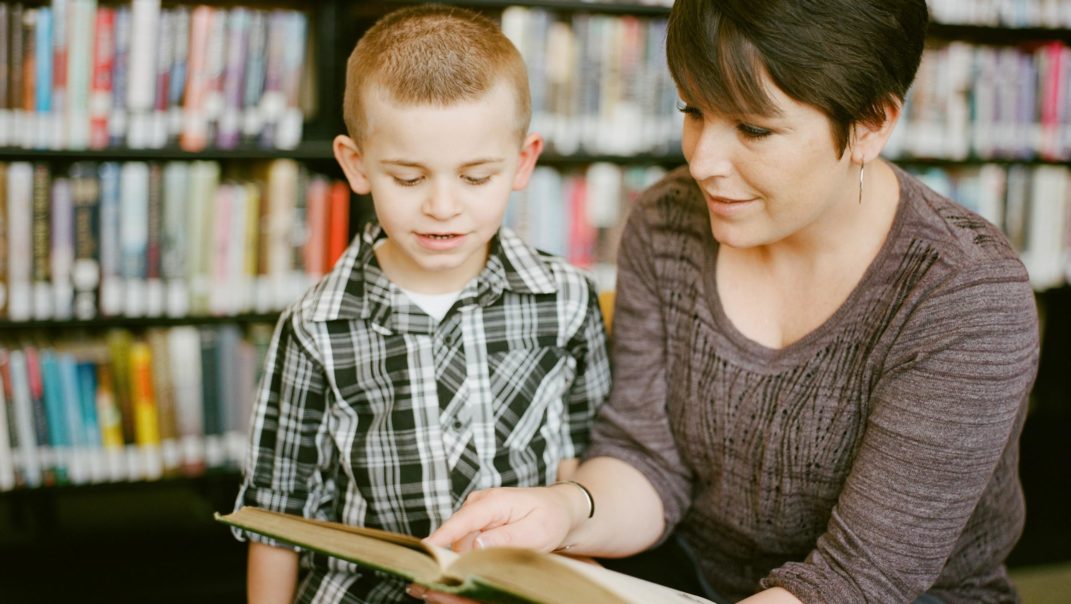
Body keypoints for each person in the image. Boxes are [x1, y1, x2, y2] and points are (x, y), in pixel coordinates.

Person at [424, 1, 1040, 602]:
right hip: (690, 581)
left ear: (871, 124)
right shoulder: (667, 223)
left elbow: (858, 580)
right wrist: (562, 512)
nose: (701, 160)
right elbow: (645, 459)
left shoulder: (965, 294)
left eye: (753, 128)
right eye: (693, 110)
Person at [232, 5, 612, 603]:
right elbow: (276, 513)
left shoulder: (565, 298)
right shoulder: (315, 326)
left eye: (476, 177)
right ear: (356, 166)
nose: (442, 206)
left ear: (523, 162)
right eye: (409, 179)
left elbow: (585, 462)